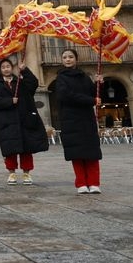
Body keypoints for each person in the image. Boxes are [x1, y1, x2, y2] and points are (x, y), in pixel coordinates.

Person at [0, 58, 48, 185]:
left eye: (8, 66)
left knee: (26, 150)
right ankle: (12, 173)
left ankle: (27, 174)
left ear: (12, 68)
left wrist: (25, 70)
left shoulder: (20, 83)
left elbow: (33, 83)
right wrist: (10, 101)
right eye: (3, 67)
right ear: (0, 70)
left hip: (23, 121)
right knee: (10, 150)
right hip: (7, 123)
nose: (6, 69)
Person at [55, 48, 103, 194]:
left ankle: (94, 183)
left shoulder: (84, 77)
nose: (68, 59)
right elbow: (66, 96)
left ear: (76, 59)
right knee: (76, 153)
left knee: (91, 153)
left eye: (70, 57)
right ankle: (81, 183)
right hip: (70, 119)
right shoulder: (61, 78)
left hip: (86, 118)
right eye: (65, 57)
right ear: (62, 61)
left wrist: (99, 84)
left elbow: (94, 95)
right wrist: (91, 100)